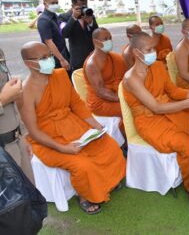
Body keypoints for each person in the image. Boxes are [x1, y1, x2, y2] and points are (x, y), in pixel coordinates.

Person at [19, 41, 126, 214]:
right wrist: (63, 148)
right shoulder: (25, 92)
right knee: (82, 165)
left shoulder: (60, 75)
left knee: (109, 146)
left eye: (49, 56)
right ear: (28, 63)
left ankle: (107, 182)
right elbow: (34, 131)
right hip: (48, 139)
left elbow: (76, 104)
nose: (49, 61)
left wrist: (96, 125)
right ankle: (85, 196)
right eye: (43, 58)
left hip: (73, 125)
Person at [122, 32, 189, 192]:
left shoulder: (157, 66)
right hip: (149, 122)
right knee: (188, 145)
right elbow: (155, 108)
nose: (154, 52)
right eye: (149, 49)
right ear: (137, 53)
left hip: (170, 112)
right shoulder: (132, 78)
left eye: (154, 48)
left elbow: (174, 92)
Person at [0, 48, 35, 184]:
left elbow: (11, 102)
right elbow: (6, 97)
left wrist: (22, 136)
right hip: (3, 151)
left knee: (28, 196)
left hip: (14, 141)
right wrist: (2, 100)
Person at [83, 28, 127, 117]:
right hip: (101, 102)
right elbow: (100, 91)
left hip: (117, 95)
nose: (109, 41)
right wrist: (123, 99)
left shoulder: (115, 57)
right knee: (129, 109)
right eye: (106, 39)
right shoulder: (92, 64)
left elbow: (126, 77)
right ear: (96, 42)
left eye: (110, 38)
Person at [59, 0, 99, 71]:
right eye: (81, 6)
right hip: (78, 59)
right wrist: (73, 18)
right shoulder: (64, 17)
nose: (84, 8)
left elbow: (97, 33)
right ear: (73, 5)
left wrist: (91, 23)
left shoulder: (89, 14)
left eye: (85, 5)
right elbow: (64, 34)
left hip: (93, 56)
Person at [37, 0, 70, 71]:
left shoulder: (56, 16)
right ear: (45, 4)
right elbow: (48, 42)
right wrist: (62, 60)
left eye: (57, 3)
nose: (55, 5)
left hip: (62, 52)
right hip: (52, 58)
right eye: (53, 3)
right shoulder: (43, 20)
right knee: (56, 81)